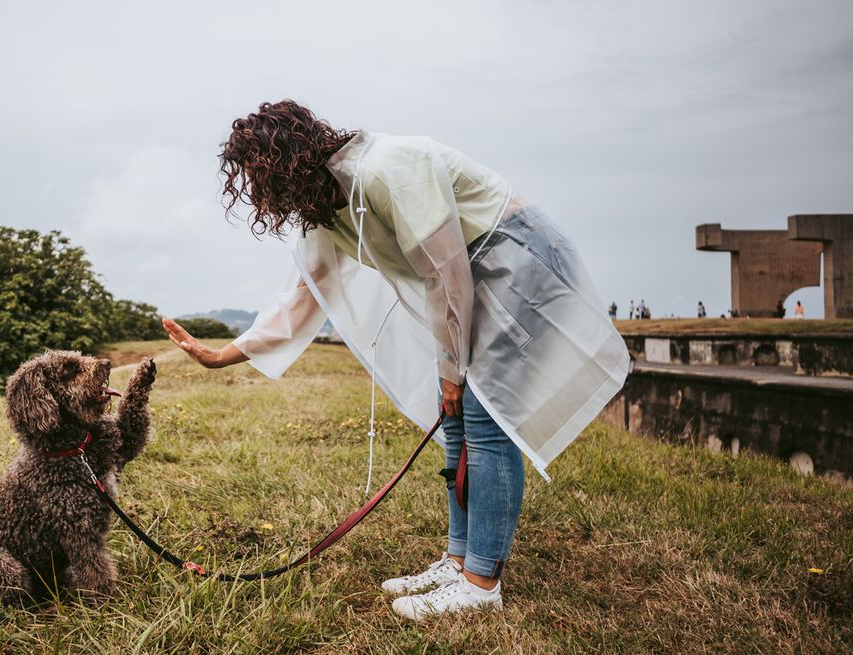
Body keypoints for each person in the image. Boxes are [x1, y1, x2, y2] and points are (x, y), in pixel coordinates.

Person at [161, 100, 629, 620]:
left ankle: (481, 584)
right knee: (453, 416)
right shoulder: (327, 206)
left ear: (285, 160)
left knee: (484, 414)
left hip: (514, 257)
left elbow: (446, 274)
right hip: (468, 275)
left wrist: (452, 371)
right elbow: (301, 296)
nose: (259, 194)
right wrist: (220, 355)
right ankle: (458, 561)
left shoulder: (387, 169)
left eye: (259, 178)